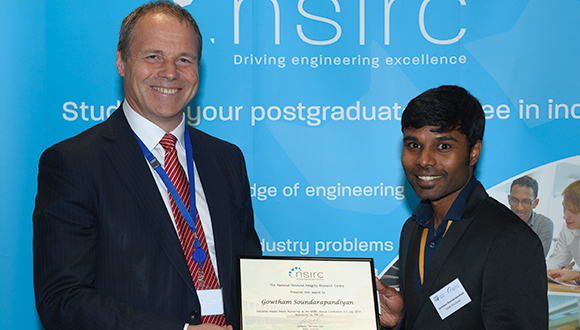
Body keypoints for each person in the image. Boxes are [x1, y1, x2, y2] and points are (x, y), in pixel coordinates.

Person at [33, 1, 261, 330]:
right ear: (121, 61)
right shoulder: (74, 163)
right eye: (153, 56)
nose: (170, 72)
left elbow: (250, 274)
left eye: (184, 59)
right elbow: (63, 298)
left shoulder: (226, 159)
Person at [375, 85, 548, 329]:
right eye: (413, 145)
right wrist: (401, 320)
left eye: (443, 146)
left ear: (474, 152)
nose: (424, 160)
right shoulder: (413, 229)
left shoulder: (509, 239)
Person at [508, 175, 554, 257]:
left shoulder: (543, 224)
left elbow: (537, 259)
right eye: (514, 200)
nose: (519, 207)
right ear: (509, 199)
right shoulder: (499, 220)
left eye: (526, 202)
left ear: (535, 203)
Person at [547, 180, 580, 282]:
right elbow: (557, 260)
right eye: (564, 208)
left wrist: (576, 275)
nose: (565, 216)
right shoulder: (567, 229)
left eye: (572, 211)